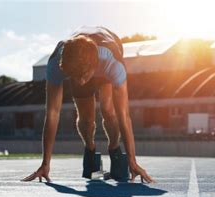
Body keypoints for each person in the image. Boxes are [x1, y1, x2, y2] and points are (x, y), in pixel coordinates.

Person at [22, 26, 154, 183]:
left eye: (84, 76)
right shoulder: (56, 63)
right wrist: (45, 164)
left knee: (108, 110)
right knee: (86, 119)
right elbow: (52, 113)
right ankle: (90, 151)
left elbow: (124, 115)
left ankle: (114, 150)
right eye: (74, 77)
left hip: (105, 56)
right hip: (79, 61)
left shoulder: (112, 62)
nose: (81, 82)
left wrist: (132, 160)